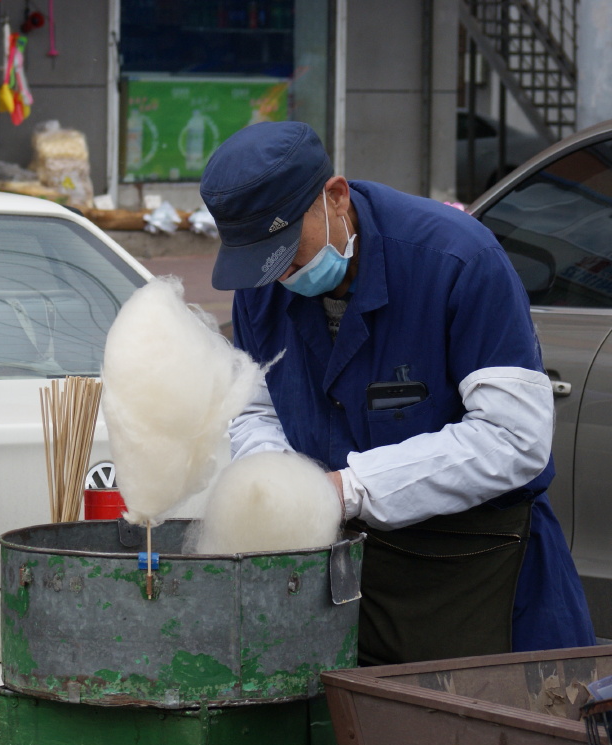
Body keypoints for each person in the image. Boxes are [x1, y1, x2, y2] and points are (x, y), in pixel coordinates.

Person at [201, 121, 596, 666]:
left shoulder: (457, 260)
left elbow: (515, 438)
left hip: (474, 567)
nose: (282, 275)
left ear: (335, 198)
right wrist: (279, 484)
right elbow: (254, 409)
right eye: (261, 262)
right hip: (348, 575)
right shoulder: (262, 289)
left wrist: (348, 489)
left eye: (289, 250)